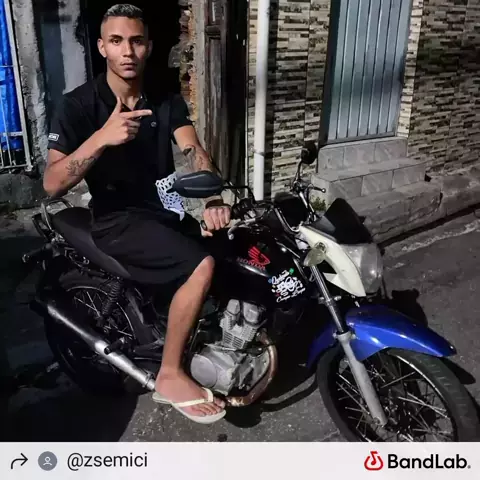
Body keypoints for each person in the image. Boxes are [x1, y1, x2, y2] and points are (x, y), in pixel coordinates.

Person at [43, 4, 230, 424]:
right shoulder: (78, 106)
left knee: (230, 255)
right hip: (118, 221)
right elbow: (52, 183)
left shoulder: (164, 99)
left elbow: (194, 150)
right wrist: (101, 138)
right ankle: (170, 374)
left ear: (149, 46)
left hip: (166, 209)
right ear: (102, 47)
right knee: (200, 265)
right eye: (116, 41)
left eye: (136, 41)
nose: (127, 51)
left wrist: (212, 196)